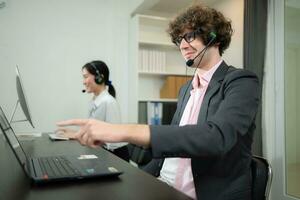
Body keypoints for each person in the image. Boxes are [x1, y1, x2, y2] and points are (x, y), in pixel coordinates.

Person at [57, 4, 259, 200]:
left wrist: (122, 131)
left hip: (205, 192)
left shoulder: (241, 81)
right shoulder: (186, 89)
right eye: (179, 39)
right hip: (164, 183)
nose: (182, 45)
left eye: (189, 36)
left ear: (214, 37)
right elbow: (173, 146)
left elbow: (216, 137)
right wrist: (137, 176)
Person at [57, 60, 129, 161]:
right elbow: (95, 131)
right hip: (102, 152)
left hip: (115, 157)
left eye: (86, 77)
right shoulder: (95, 101)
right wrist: (75, 133)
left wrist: (75, 135)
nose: (83, 81)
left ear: (99, 78)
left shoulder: (108, 102)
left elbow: (113, 139)